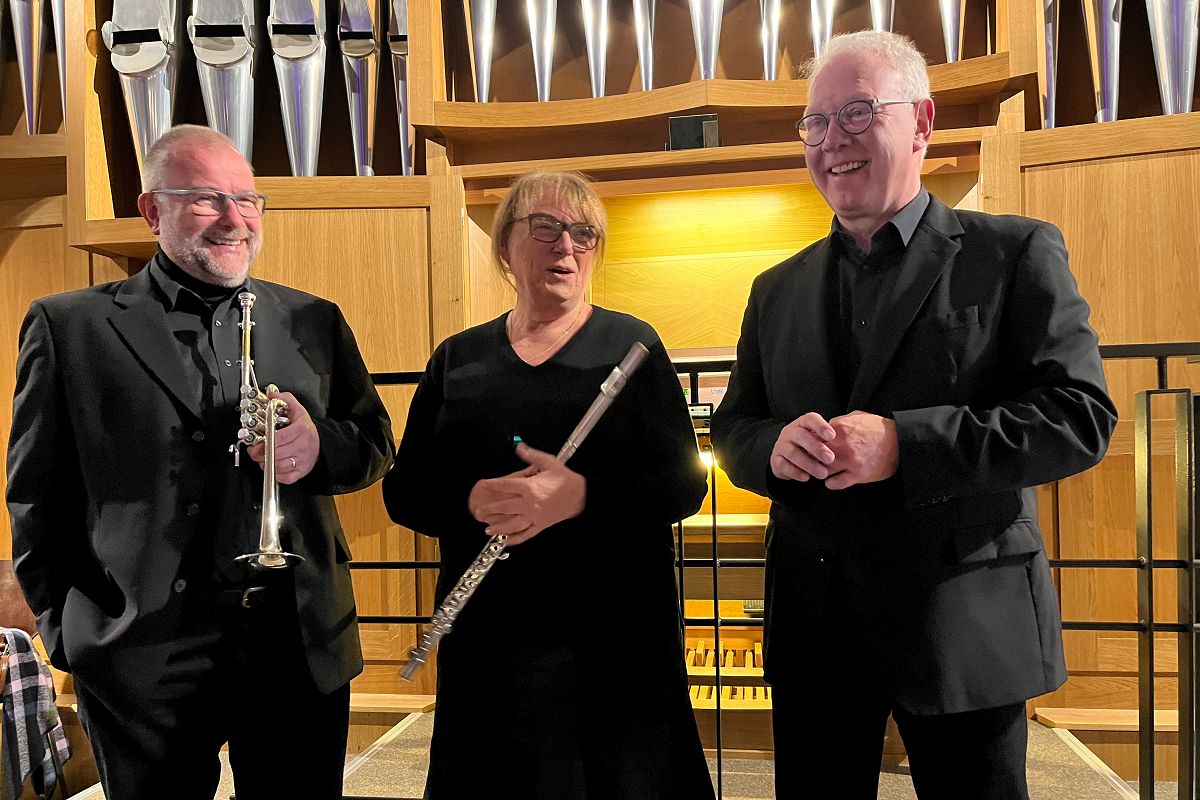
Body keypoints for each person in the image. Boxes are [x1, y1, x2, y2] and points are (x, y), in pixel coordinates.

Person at [710, 31, 1117, 800]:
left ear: (922, 122)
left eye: (859, 112)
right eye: (817, 123)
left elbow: (1078, 416)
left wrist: (906, 444)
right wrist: (773, 450)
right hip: (818, 624)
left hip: (961, 621)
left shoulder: (1015, 252)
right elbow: (734, 428)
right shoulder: (776, 288)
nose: (834, 141)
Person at [6, 124, 394, 799]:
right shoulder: (71, 326)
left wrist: (316, 450)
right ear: (152, 210)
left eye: (247, 200)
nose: (235, 218)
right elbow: (35, 493)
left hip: (292, 642)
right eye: (207, 198)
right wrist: (68, 633)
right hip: (139, 647)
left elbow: (374, 444)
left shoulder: (313, 318)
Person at [382, 171, 715, 799]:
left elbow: (681, 485)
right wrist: (470, 499)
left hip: (615, 638)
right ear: (506, 244)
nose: (567, 247)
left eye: (584, 234)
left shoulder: (633, 346)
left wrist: (581, 496)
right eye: (546, 229)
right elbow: (406, 491)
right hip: (491, 641)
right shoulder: (457, 360)